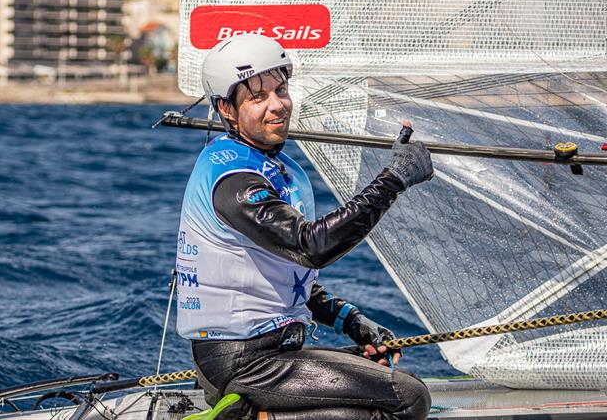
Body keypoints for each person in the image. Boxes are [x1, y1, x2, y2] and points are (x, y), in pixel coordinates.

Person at [177, 33, 434, 420]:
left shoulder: (281, 171)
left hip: (274, 351)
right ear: (227, 109)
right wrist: (394, 179)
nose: (278, 105)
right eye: (258, 97)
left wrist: (351, 320)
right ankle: (249, 417)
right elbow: (311, 246)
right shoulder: (232, 179)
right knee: (408, 399)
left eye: (281, 90)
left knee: (390, 377)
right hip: (241, 360)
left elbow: (291, 275)